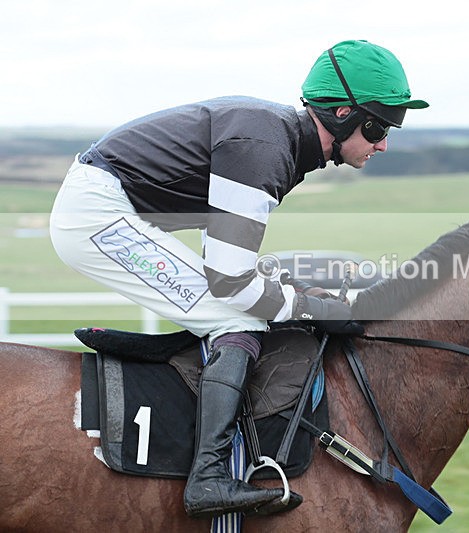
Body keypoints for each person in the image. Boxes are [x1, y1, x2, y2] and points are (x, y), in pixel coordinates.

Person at [49, 39, 428, 519]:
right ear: (339, 113)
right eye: (378, 126)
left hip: (108, 208)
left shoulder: (280, 141)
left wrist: (300, 295)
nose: (384, 143)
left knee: (241, 300)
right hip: (96, 216)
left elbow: (228, 260)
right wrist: (319, 308)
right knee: (234, 316)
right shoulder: (265, 148)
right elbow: (231, 283)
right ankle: (207, 478)